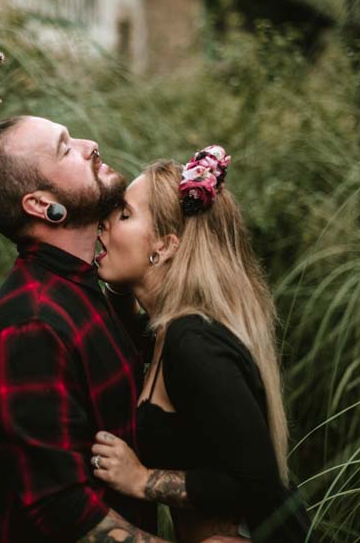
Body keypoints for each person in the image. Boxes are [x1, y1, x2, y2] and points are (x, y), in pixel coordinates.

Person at [0, 116, 165, 542]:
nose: (90, 144)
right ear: (44, 206)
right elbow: (62, 509)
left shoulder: (81, 287)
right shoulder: (28, 327)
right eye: (66, 148)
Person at [90, 146, 314, 542]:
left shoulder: (193, 342)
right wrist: (119, 283)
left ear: (165, 246)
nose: (105, 223)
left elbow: (257, 483)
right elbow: (122, 333)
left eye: (124, 215)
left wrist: (142, 480)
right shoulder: (162, 332)